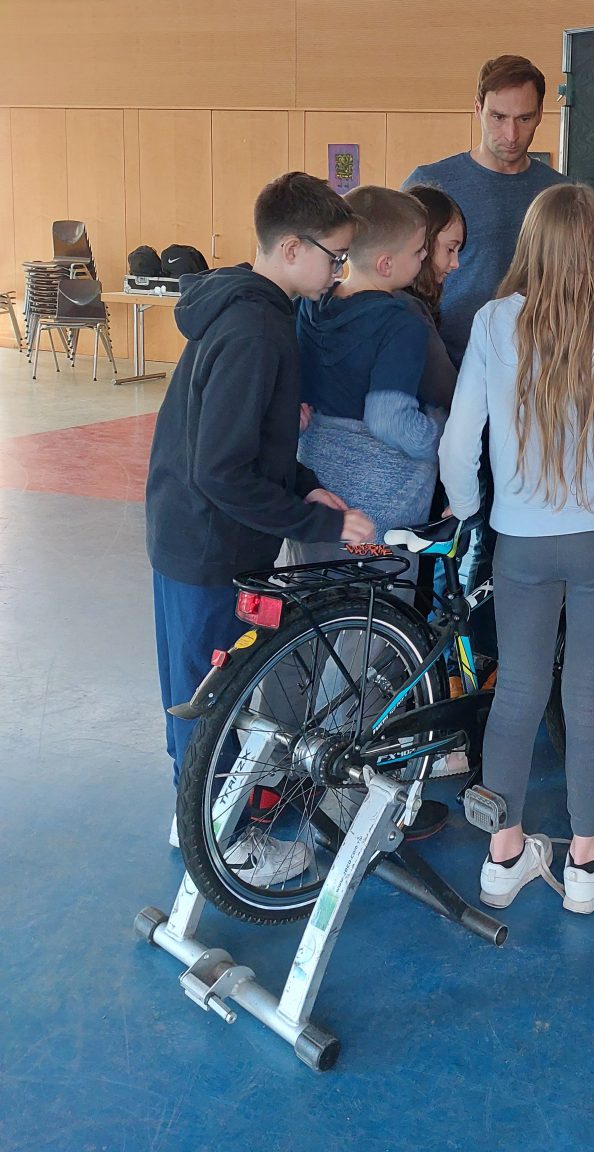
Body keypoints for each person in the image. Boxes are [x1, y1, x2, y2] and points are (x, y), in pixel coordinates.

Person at [439, 183, 594, 915]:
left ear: (531, 246)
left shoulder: (494, 323)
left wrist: (471, 510)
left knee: (516, 690)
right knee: (590, 695)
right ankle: (584, 863)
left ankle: (503, 858)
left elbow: (459, 441)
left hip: (522, 540)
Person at [146, 172, 373, 871]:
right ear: (294, 248)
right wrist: (322, 526)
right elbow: (222, 470)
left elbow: (253, 443)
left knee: (199, 692)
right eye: (335, 257)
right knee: (208, 700)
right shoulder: (255, 328)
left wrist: (308, 488)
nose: (339, 274)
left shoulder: (249, 309)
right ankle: (223, 844)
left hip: (191, 531)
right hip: (210, 544)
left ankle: (196, 816)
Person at [292, 186, 443, 564]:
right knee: (381, 599)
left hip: (315, 498)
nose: (426, 256)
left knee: (311, 594)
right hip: (376, 516)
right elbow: (389, 419)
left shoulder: (310, 306)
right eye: (419, 251)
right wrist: (443, 435)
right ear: (386, 264)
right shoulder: (401, 325)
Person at [402, 54, 567, 367]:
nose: (511, 135)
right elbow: (397, 279)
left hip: (536, 367)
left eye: (524, 119)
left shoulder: (560, 193)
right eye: (498, 117)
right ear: (478, 108)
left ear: (540, 114)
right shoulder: (429, 183)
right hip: (443, 363)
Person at [401, 183, 467, 412]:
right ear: (424, 242)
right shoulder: (409, 311)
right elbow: (446, 393)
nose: (456, 264)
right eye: (450, 249)